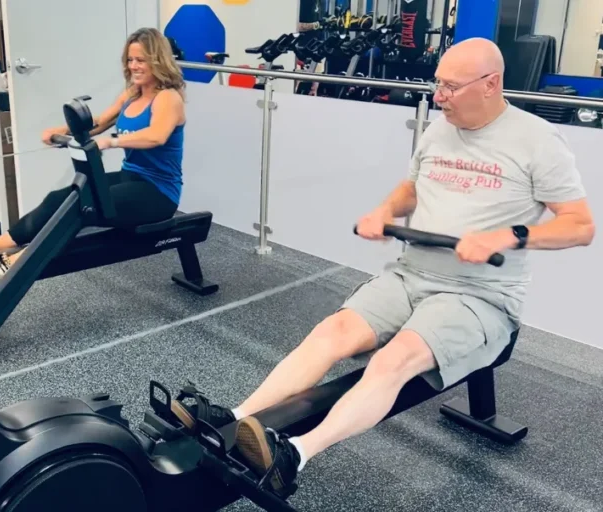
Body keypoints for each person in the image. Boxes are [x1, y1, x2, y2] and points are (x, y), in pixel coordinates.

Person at [168, 38, 595, 496]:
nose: (438, 96)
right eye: (438, 84)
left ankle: (297, 453)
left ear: (490, 85)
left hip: (479, 296)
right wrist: (385, 212)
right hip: (411, 275)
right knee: (330, 334)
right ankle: (234, 419)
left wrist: (511, 235)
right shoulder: (439, 129)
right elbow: (411, 188)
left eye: (450, 87)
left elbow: (580, 226)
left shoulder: (535, 138)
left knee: (394, 360)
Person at [0, 27, 187, 279]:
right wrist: (62, 131)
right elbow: (100, 122)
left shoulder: (168, 98)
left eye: (141, 60)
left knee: (78, 209)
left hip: (158, 193)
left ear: (157, 60)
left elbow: (156, 135)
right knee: (60, 198)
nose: (134, 66)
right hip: (131, 178)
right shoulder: (132, 94)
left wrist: (112, 142)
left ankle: (11, 263)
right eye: (130, 60)